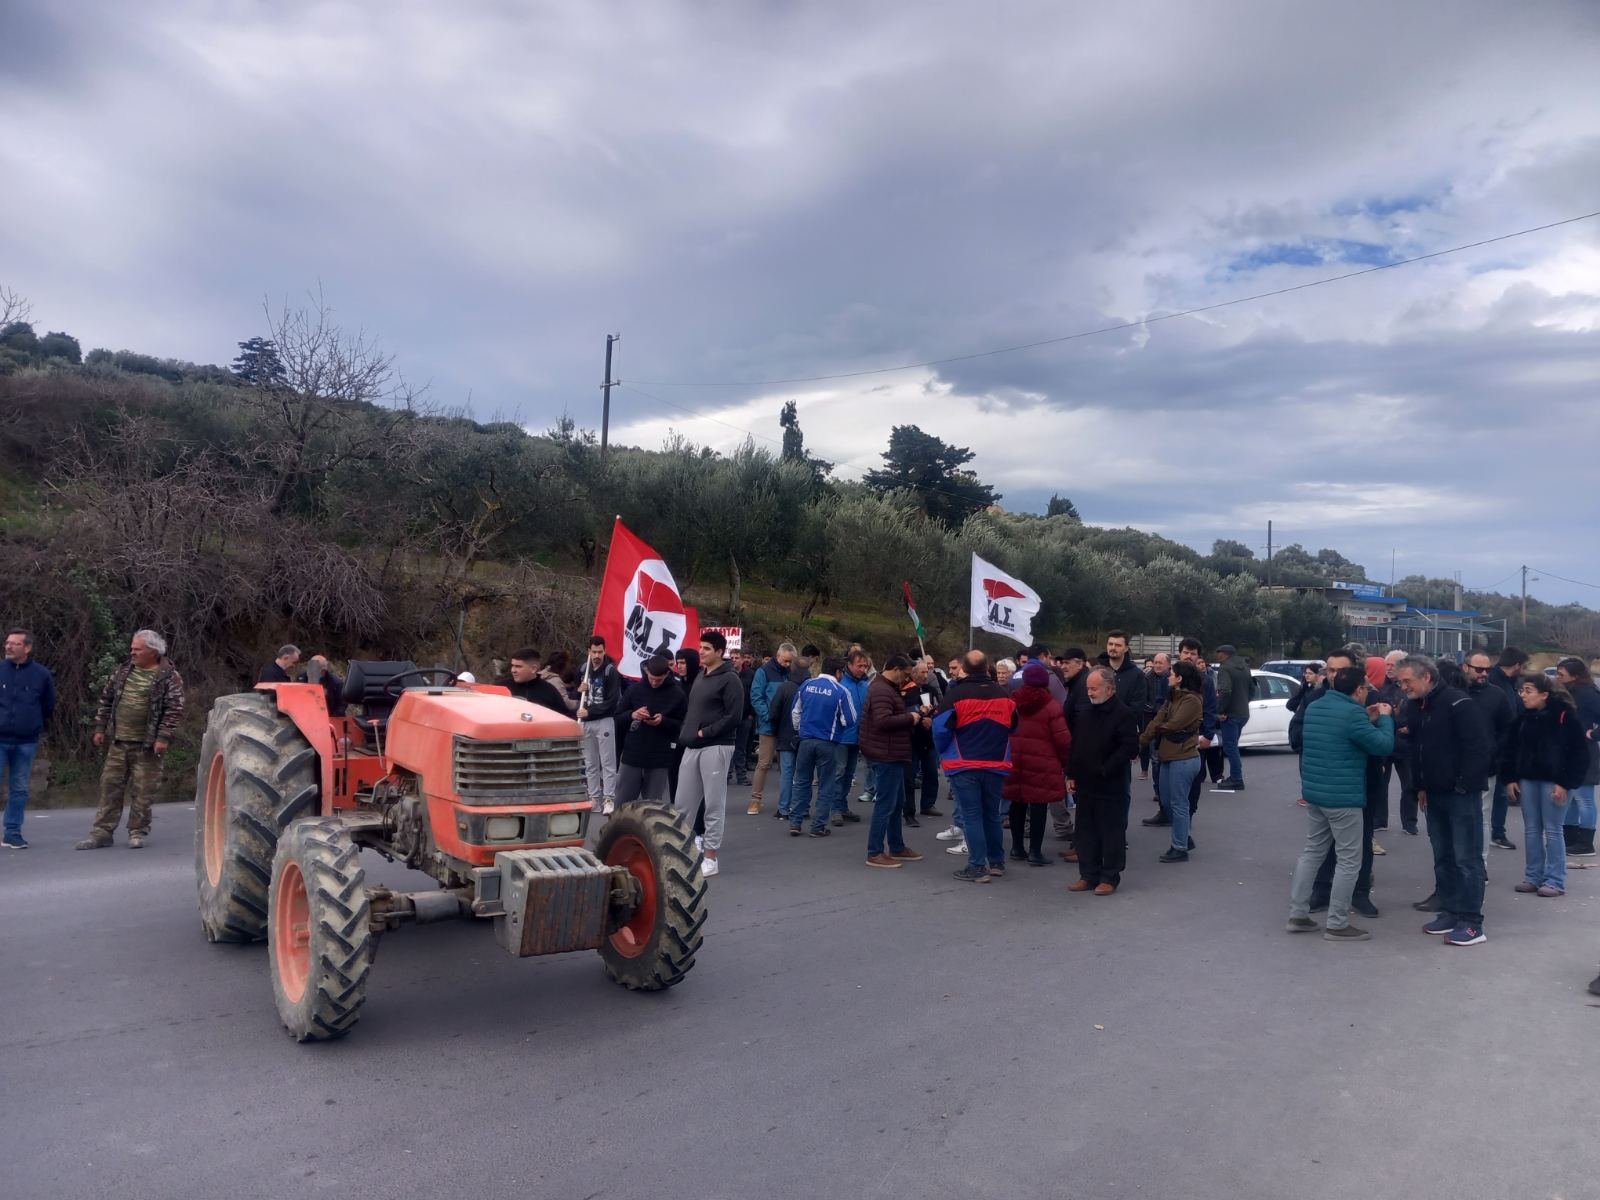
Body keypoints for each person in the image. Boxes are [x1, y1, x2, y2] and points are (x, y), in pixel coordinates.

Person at [1286, 665, 1395, 941]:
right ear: (1359, 690)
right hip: (1344, 797)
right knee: (1349, 860)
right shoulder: (1352, 714)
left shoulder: (1316, 707)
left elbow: (1339, 737)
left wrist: (1365, 718)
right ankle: (1337, 922)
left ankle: (1298, 914)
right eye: (1366, 689)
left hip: (1315, 792)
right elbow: (1382, 746)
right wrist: (1384, 718)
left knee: (1312, 852)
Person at [1395, 654, 1493, 947]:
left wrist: (1464, 785)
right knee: (1443, 856)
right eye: (1399, 682)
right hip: (1433, 793)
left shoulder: (1459, 704)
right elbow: (1417, 749)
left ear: (1426, 677)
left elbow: (1479, 748)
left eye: (1407, 681)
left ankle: (1472, 922)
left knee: (1467, 859)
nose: (1403, 687)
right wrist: (1420, 786)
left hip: (1462, 795)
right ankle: (1450, 911)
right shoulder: (1416, 706)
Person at [77, 630, 185, 850]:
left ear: (153, 652)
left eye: (137, 649)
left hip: (147, 746)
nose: (132, 652)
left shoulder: (168, 676)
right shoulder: (123, 671)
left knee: (144, 791)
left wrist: (163, 737)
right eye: (132, 648)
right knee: (110, 787)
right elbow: (106, 699)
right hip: (118, 742)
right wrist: (100, 727)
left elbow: (174, 709)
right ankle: (101, 832)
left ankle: (137, 831)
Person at [933, 651, 1017, 883]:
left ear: (965, 669)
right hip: (996, 762)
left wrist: (942, 752)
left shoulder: (956, 694)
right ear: (987, 668)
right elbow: (1014, 725)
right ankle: (997, 862)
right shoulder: (1003, 695)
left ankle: (977, 865)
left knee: (972, 815)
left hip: (964, 762)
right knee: (991, 814)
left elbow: (940, 729)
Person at [1503, 672, 1589, 897]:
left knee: (1553, 830)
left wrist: (1564, 782)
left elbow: (1579, 753)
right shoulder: (1523, 718)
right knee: (1532, 829)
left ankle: (1555, 880)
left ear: (1544, 694)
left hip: (1555, 781)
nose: (1523, 695)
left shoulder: (1564, 716)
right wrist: (1510, 778)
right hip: (1528, 779)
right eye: (1521, 690)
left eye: (1528, 691)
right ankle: (1533, 876)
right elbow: (1510, 749)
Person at [1065, 666, 1140, 894]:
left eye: (1094, 688)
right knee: (1086, 831)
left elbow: (1129, 747)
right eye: (1088, 688)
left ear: (1109, 689)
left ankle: (1109, 876)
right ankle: (1088, 874)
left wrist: (1106, 769)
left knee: (1110, 832)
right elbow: (1075, 745)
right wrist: (1070, 773)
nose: (1090, 692)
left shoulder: (1123, 714)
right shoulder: (1086, 712)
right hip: (1086, 782)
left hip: (1110, 783)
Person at [674, 632, 742, 877]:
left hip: (717, 746)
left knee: (713, 803)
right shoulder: (702, 676)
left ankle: (711, 857)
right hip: (692, 746)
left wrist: (705, 733)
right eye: (700, 647)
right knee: (683, 802)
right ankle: (681, 851)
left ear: (719, 651)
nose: (701, 652)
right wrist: (688, 733)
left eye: (706, 648)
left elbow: (734, 716)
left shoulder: (730, 679)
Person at [1003, 663, 1071, 867]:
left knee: (1017, 803)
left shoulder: (1012, 703)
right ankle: (1035, 851)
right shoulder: (1051, 706)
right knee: (1039, 805)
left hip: (1015, 759)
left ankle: (1016, 847)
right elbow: (1062, 740)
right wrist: (1066, 763)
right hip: (1042, 762)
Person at [859, 654, 924, 869]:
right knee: (886, 803)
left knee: (896, 802)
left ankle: (896, 846)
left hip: (892, 752)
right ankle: (875, 851)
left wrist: (911, 714)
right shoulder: (881, 689)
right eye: (905, 674)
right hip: (886, 754)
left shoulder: (885, 688)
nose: (906, 679)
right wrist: (911, 718)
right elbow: (883, 721)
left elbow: (887, 715)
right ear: (895, 669)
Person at [1140, 659, 1204, 863]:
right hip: (1168, 756)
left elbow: (1174, 724)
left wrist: (1156, 729)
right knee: (1166, 803)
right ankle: (1184, 837)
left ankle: (1179, 848)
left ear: (1180, 678)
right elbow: (1158, 719)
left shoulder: (1192, 700)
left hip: (1184, 758)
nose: (1168, 676)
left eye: (1171, 673)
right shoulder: (1172, 697)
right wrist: (1142, 740)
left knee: (1178, 804)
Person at [788, 655, 858, 837]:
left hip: (805, 740)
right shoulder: (841, 691)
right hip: (828, 742)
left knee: (801, 781)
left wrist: (800, 730)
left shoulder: (806, 685)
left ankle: (795, 822)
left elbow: (795, 712)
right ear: (838, 671)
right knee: (826, 784)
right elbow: (850, 719)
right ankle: (818, 826)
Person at [1, 628, 56, 849]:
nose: (8, 646)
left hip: (26, 741)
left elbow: (48, 705)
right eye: (7, 642)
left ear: (27, 648)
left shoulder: (41, 675)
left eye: (14, 643)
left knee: (20, 788)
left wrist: (32, 723)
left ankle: (12, 832)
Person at [1460, 650, 1516, 858]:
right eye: (1479, 669)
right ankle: (1459, 866)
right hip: (1454, 767)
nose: (1484, 673)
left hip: (1486, 766)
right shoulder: (1454, 692)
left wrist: (1494, 751)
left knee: (1481, 816)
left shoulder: (1497, 694)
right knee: (1458, 817)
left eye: (1487, 669)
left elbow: (1508, 728)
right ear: (1465, 667)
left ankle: (1479, 866)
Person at [614, 655, 687, 806]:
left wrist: (664, 721)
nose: (654, 683)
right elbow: (618, 717)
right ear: (646, 672)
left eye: (658, 680)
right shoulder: (634, 690)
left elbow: (683, 725)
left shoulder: (677, 694)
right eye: (651, 678)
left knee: (653, 806)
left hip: (659, 758)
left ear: (667, 674)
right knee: (622, 805)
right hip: (632, 756)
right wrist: (632, 715)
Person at [1555, 657, 1600, 858]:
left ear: (1574, 676)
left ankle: (1585, 842)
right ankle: (1570, 837)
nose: (1558, 677)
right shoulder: (1569, 693)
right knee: (1571, 797)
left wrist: (1593, 734)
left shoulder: (1588, 694)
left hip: (1584, 752)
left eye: (1561, 674)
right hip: (1569, 751)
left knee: (1584, 798)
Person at [747, 642, 796, 816]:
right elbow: (756, 696)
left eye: (790, 662)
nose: (788, 665)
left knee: (787, 766)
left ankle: (785, 803)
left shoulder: (792, 674)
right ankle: (755, 800)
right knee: (764, 763)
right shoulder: (764, 672)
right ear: (778, 656)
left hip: (787, 726)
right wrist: (767, 716)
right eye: (785, 661)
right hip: (769, 725)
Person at [576, 636, 623, 816]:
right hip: (586, 723)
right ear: (589, 651)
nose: (597, 655)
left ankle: (609, 798)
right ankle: (594, 797)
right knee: (590, 762)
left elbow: (613, 701)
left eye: (600, 652)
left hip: (604, 721)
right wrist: (578, 690)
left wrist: (591, 711)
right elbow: (575, 694)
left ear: (604, 651)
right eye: (594, 652)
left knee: (608, 762)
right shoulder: (583, 670)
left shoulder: (610, 671)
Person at [833, 650, 871, 827]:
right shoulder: (841, 684)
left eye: (865, 666)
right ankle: (834, 809)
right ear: (849, 665)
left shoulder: (865, 685)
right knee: (838, 772)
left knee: (849, 774)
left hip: (858, 737)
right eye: (859, 666)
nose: (862, 669)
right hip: (841, 737)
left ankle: (842, 806)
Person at [905, 659, 944, 821]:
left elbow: (938, 708)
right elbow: (905, 710)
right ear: (913, 673)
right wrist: (921, 719)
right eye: (922, 672)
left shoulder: (930, 690)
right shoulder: (906, 690)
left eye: (927, 671)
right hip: (912, 738)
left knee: (931, 773)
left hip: (929, 738)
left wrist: (932, 720)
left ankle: (928, 804)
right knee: (910, 776)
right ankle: (908, 810)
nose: (925, 674)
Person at [770, 661, 806, 823]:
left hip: (785, 736)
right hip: (805, 736)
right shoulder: (810, 688)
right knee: (803, 774)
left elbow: (773, 713)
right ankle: (801, 808)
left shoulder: (784, 688)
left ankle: (784, 809)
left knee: (787, 773)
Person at [1213, 644, 1251, 790]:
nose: (1217, 655)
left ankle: (1236, 778)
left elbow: (1225, 691)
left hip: (1230, 714)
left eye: (1219, 653)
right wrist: (1243, 703)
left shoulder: (1225, 668)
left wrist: (1220, 710)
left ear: (1225, 654)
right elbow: (1253, 688)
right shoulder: (1244, 667)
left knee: (1230, 748)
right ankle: (1235, 776)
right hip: (1243, 713)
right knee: (1233, 746)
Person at [504, 647, 572, 715]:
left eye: (518, 666)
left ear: (533, 669)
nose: (513, 670)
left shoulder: (549, 692)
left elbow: (564, 717)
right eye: (512, 666)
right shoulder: (502, 686)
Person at [1137, 652, 1170, 781]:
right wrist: (1148, 707)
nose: (1157, 665)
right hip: (1150, 717)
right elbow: (1141, 697)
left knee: (1163, 755)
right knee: (1152, 753)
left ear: (1168, 665)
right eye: (1155, 662)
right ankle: (1157, 788)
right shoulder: (1146, 677)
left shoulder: (1173, 678)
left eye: (1160, 663)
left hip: (1168, 719)